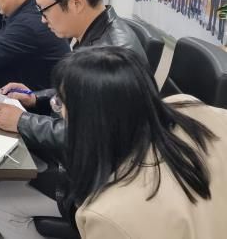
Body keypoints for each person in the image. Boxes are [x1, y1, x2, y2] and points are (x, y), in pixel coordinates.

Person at [0, 0, 146, 239]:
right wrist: (35, 99)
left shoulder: (111, 57)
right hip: (85, 164)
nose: (42, 19)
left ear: (76, 2)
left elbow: (87, 137)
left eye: (44, 10)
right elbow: (79, 94)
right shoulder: (96, 33)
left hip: (98, 182)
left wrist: (22, 121)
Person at [53, 47, 227, 238]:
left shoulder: (108, 215)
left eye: (61, 103)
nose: (60, 111)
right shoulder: (192, 107)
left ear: (87, 120)